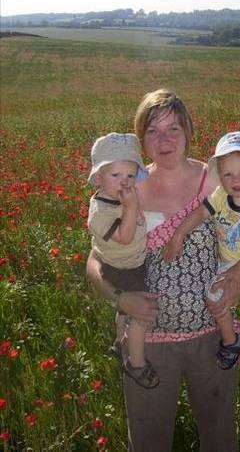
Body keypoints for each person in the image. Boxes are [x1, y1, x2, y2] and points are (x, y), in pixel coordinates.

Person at [86, 89, 240, 452]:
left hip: (212, 338)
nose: (165, 139)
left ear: (189, 131)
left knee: (219, 438)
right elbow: (95, 261)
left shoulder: (218, 179)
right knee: (148, 442)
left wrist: (239, 280)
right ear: (141, 139)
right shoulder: (126, 185)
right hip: (148, 344)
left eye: (173, 128)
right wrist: (120, 298)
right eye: (153, 131)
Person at [163, 131, 240, 370]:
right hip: (223, 257)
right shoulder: (221, 196)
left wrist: (236, 273)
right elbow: (200, 213)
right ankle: (224, 325)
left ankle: (232, 342)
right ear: (221, 177)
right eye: (228, 174)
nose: (236, 180)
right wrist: (178, 235)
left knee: (216, 299)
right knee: (209, 290)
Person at [87, 132, 159, 389]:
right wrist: (131, 206)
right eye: (116, 176)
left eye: (130, 176)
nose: (125, 183)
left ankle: (119, 343)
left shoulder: (117, 198)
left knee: (122, 313)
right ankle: (135, 363)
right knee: (140, 315)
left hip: (131, 263)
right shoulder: (100, 212)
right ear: (98, 178)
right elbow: (126, 236)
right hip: (123, 269)